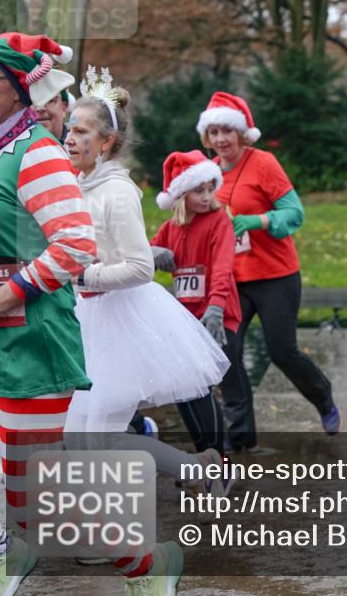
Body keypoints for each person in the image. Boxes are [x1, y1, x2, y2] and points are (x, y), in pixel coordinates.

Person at [0, 34, 181, 596]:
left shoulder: (37, 152)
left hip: (31, 343)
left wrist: (5, 295)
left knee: (36, 502)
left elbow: (73, 244)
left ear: (19, 89)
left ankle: (149, 565)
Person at [64, 69, 231, 504]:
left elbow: (139, 267)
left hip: (118, 322)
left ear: (105, 143)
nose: (69, 138)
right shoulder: (81, 184)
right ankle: (195, 469)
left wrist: (82, 275)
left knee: (97, 441)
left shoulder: (116, 191)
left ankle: (112, 533)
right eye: (68, 129)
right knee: (80, 438)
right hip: (84, 319)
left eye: (80, 131)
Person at [196, 91, 341, 448]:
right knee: (226, 349)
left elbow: (295, 214)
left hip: (275, 275)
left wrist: (257, 220)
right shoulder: (208, 173)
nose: (220, 140)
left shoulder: (263, 164)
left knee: (281, 351)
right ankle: (240, 433)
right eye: (213, 133)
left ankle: (322, 396)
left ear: (241, 133)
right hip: (233, 279)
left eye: (226, 132)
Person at [151, 150, 243, 455]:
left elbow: (222, 265)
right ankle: (205, 452)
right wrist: (153, 254)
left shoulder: (219, 220)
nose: (206, 197)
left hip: (216, 314)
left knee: (201, 386)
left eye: (210, 189)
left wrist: (216, 307)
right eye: (198, 191)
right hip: (185, 320)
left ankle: (217, 454)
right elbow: (143, 253)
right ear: (180, 195)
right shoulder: (171, 228)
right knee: (185, 387)